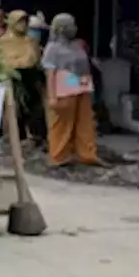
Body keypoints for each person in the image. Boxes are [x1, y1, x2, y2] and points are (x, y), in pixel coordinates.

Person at [42, 13, 101, 167]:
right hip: (64, 89)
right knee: (62, 124)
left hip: (81, 86)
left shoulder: (77, 45)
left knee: (85, 123)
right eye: (71, 25)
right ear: (62, 28)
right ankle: (59, 156)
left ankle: (87, 154)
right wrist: (52, 96)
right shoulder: (52, 48)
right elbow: (50, 73)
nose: (75, 28)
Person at [0, 10, 44, 139]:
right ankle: (10, 138)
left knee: (35, 108)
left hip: (32, 79)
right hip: (13, 79)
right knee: (13, 109)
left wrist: (28, 60)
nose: (23, 25)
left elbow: (35, 59)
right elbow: (5, 61)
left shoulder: (30, 40)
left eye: (25, 21)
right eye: (20, 21)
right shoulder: (4, 41)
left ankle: (34, 136)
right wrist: (24, 61)